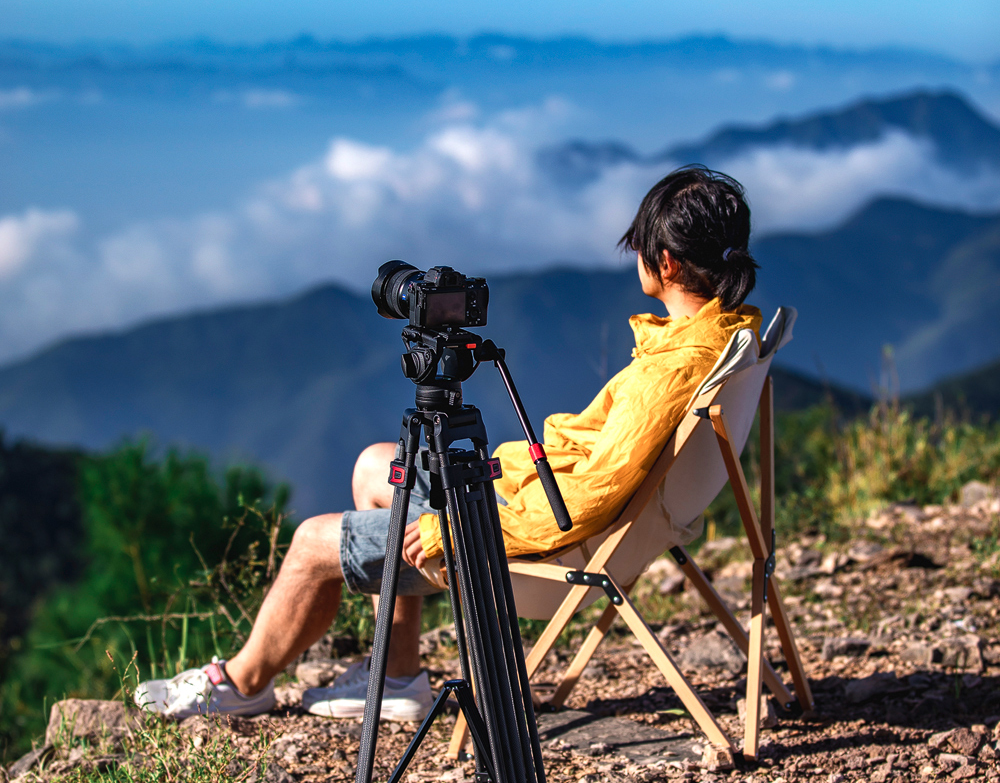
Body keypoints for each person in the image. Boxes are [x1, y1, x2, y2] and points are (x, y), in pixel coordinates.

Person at [135, 166, 761, 723]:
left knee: (308, 544)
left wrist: (458, 530)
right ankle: (400, 675)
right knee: (378, 466)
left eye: (641, 249)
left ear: (668, 264)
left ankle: (241, 684)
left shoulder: (670, 370)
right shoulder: (725, 338)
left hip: (553, 553)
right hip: (580, 515)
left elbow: (588, 499)